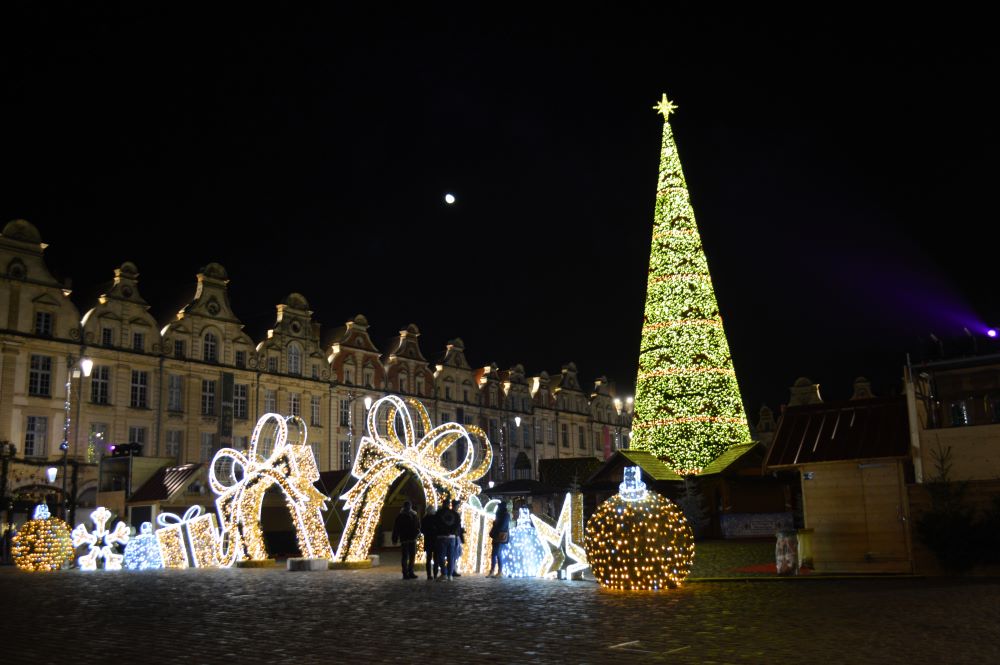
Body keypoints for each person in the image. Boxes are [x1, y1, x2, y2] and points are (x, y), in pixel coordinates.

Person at [391, 500, 421, 579]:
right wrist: (395, 538)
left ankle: (410, 572)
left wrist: (417, 532)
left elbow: (418, 525)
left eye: (409, 506)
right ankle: (405, 573)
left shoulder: (413, 515)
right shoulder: (401, 516)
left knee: (411, 556)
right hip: (405, 538)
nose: (408, 508)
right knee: (406, 556)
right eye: (407, 506)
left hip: (411, 538)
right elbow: (396, 528)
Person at [435, 499, 460, 580]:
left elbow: (436, 524)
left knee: (441, 556)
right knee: (451, 556)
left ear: (443, 504)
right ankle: (450, 575)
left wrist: (443, 532)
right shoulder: (454, 514)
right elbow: (457, 524)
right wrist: (451, 532)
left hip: (441, 537)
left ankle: (444, 573)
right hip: (452, 537)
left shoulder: (439, 513)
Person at [488, 500, 510, 577]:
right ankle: (494, 571)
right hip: (497, 535)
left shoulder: (505, 515)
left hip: (500, 536)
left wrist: (496, 527)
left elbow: (502, 525)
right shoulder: (500, 514)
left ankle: (498, 571)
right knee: (495, 554)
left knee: (497, 553)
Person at [421, 505, 439, 579]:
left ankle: (429, 575)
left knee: (428, 558)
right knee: (436, 559)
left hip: (428, 540)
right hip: (435, 541)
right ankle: (435, 574)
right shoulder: (436, 518)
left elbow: (422, 530)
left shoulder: (425, 519)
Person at [450, 499, 465, 577]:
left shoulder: (454, 513)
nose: (458, 507)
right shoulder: (454, 514)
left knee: (455, 554)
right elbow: (456, 526)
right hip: (455, 536)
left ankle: (452, 569)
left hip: (456, 535)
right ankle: (452, 570)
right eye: (458, 505)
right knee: (454, 554)